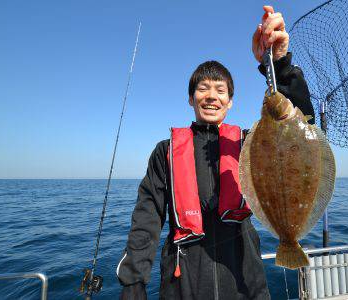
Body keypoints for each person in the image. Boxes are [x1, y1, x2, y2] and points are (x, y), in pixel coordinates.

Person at [117, 5, 314, 300]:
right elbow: (146, 219)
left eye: (221, 91)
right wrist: (133, 283)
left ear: (231, 102)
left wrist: (279, 64)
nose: (211, 96)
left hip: (245, 279)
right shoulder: (165, 152)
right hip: (182, 284)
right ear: (190, 99)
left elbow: (301, 128)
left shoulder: (251, 143)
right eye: (203, 89)